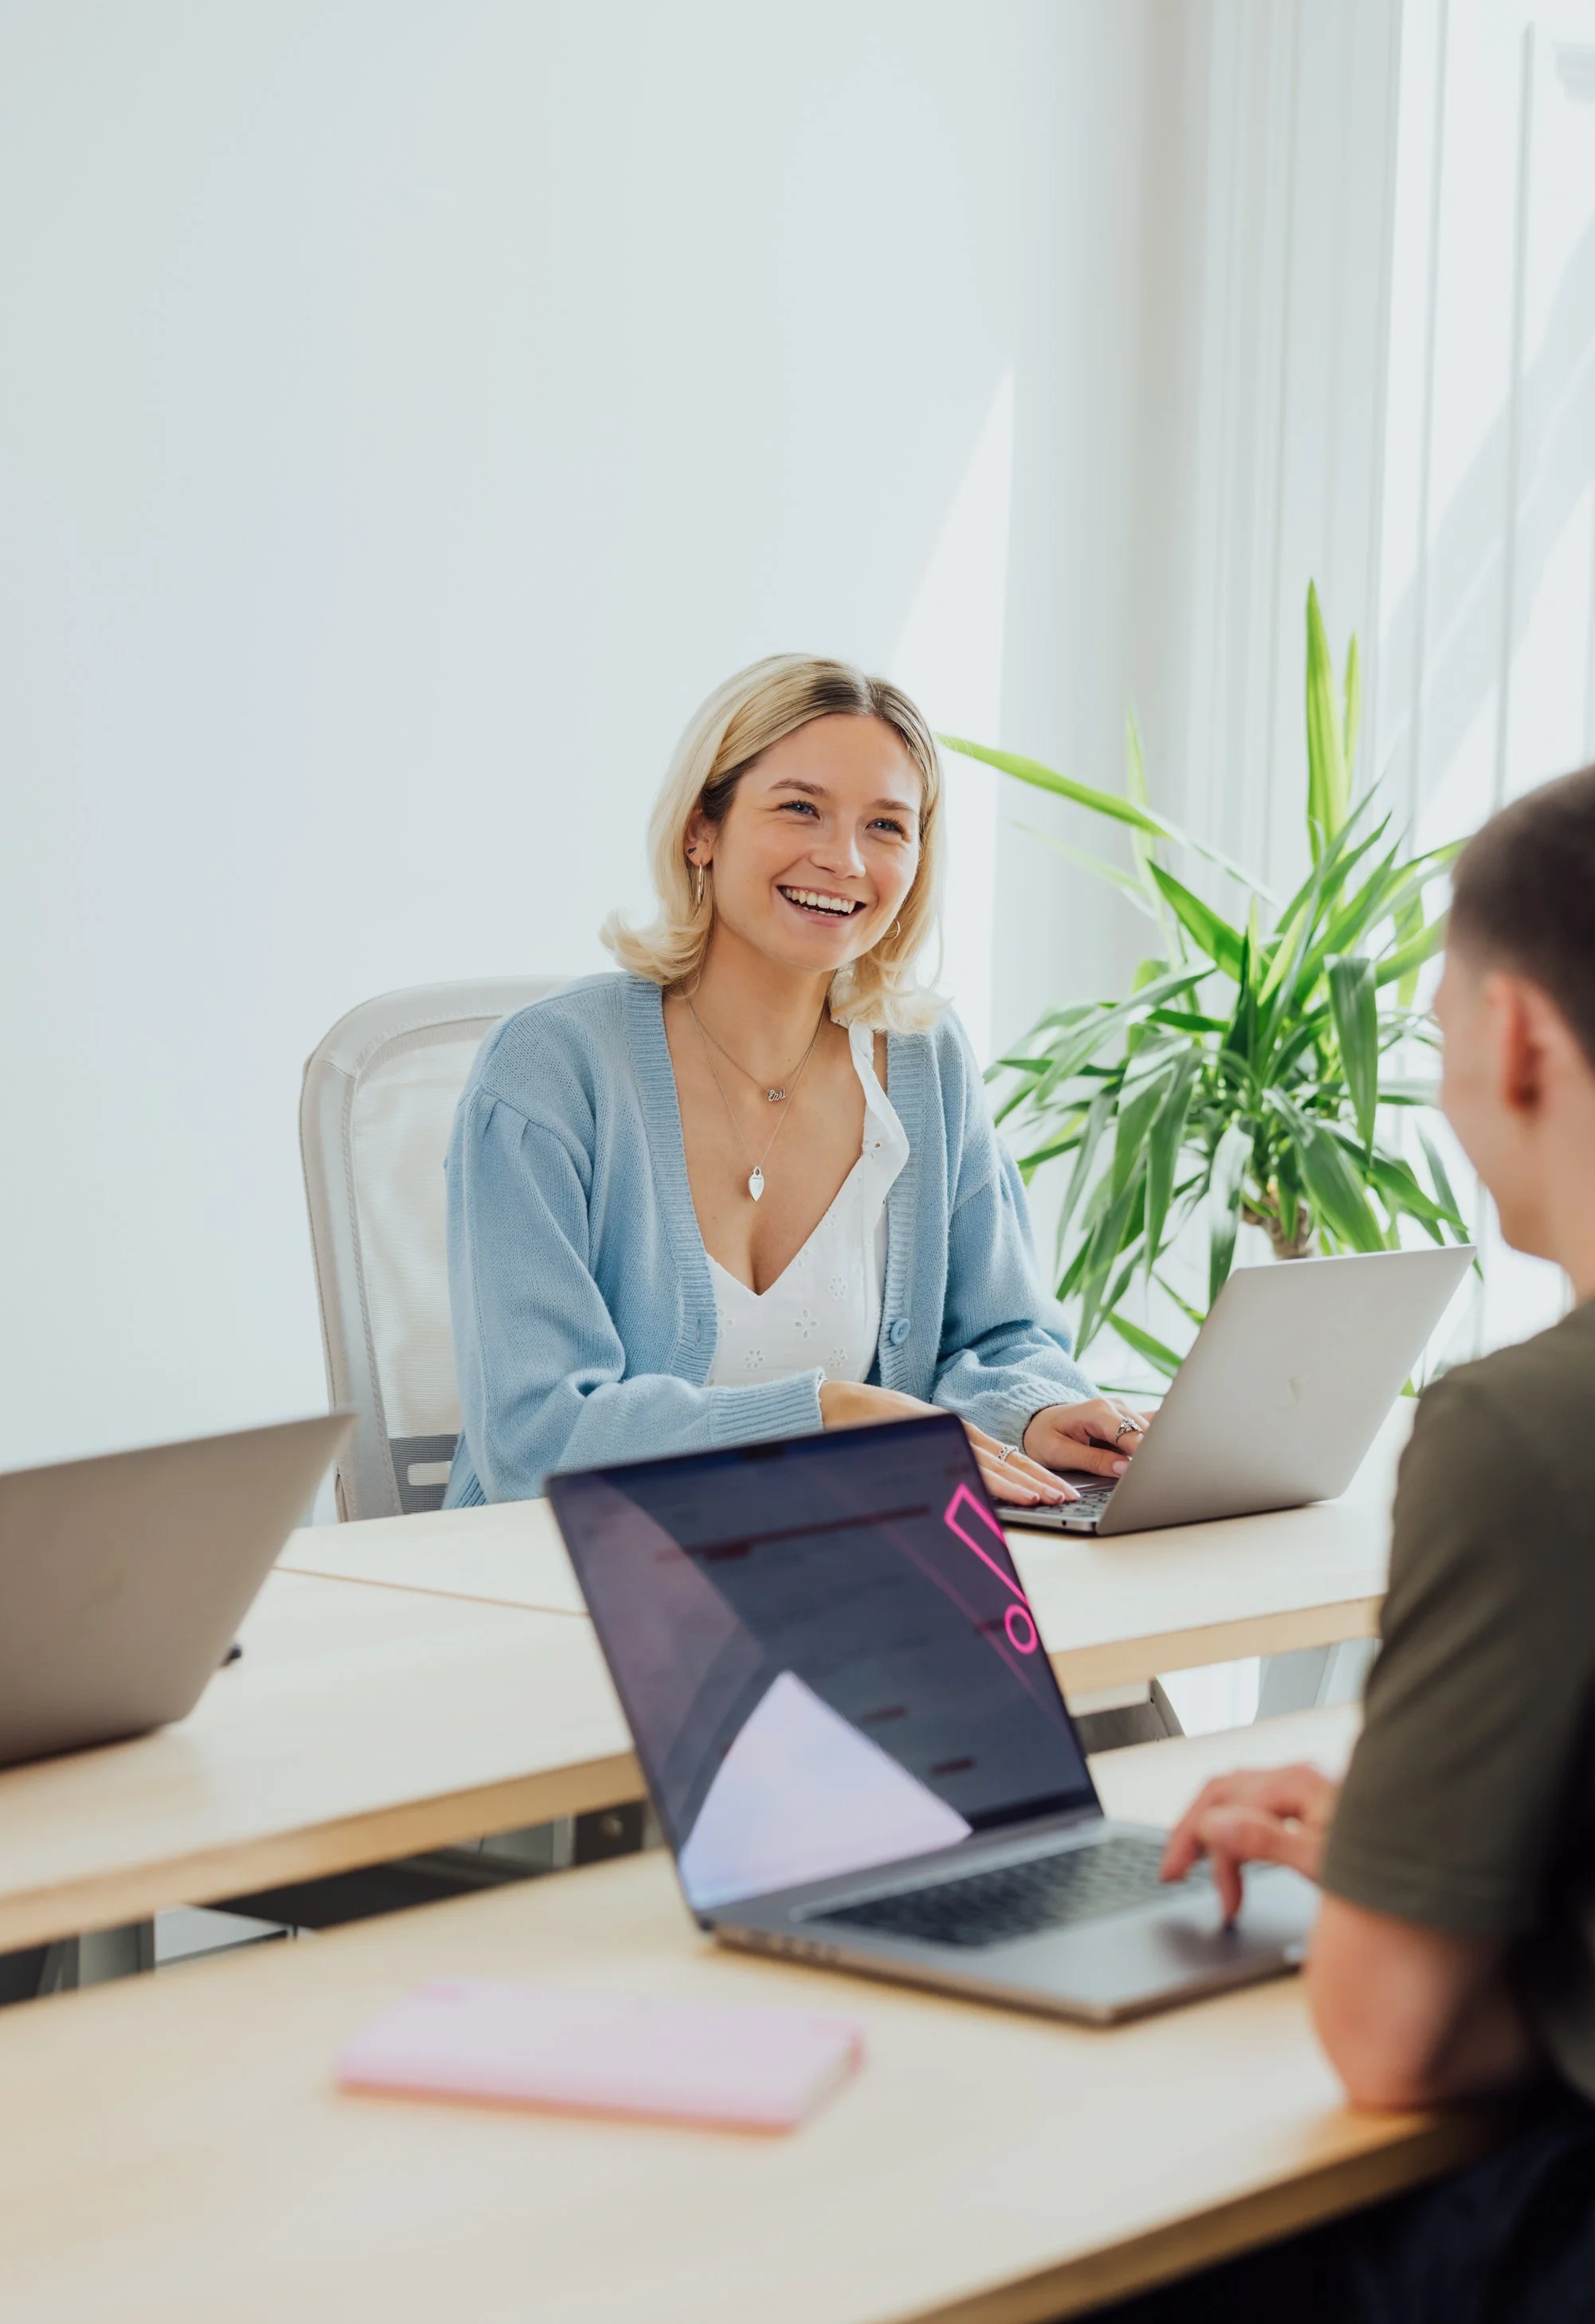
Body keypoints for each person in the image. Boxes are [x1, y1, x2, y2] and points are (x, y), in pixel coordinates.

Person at [1110, 764, 1595, 2322]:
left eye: (1440, 1014)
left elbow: (1394, 2039)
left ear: (1513, 1033)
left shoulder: (1521, 1432)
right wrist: (1423, 1854)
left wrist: (1429, 1925)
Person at [442, 654, 1143, 1509]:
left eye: (887, 826)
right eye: (800, 808)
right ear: (703, 828)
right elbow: (536, 1438)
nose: (844, 859)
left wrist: (1031, 1414)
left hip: (831, 1568)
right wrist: (817, 1417)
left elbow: (1000, 1335)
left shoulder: (924, 1061)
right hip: (555, 1588)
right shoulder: (548, 1070)